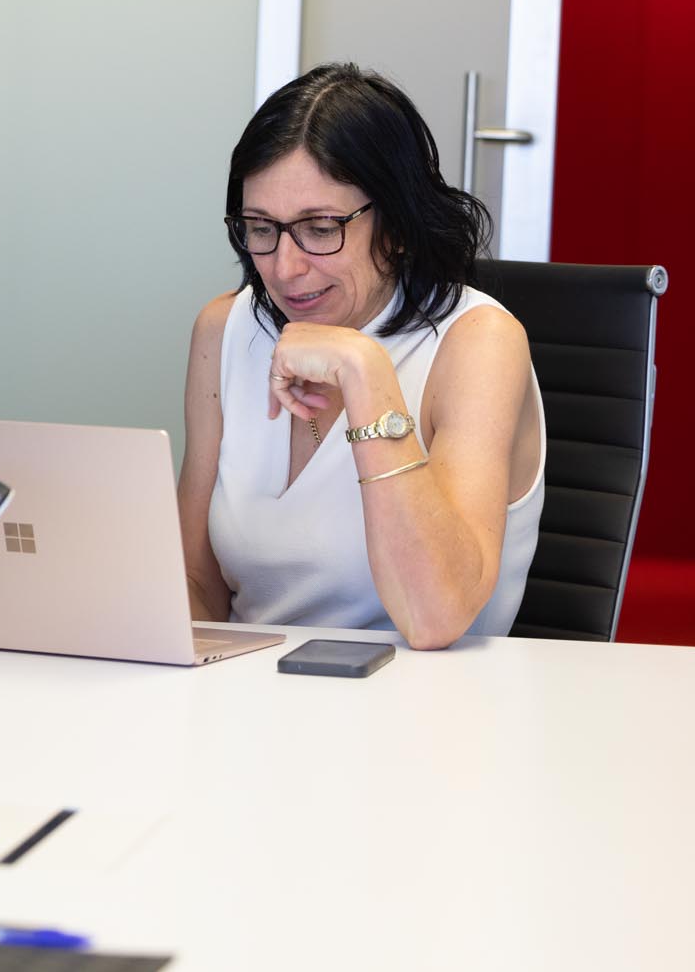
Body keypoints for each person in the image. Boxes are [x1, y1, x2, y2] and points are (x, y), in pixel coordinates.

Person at [176, 64, 547, 649]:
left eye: (321, 228)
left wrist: (365, 368)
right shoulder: (226, 329)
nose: (285, 267)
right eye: (260, 228)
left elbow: (435, 616)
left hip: (429, 713)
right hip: (253, 704)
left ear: (396, 225)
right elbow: (198, 583)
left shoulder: (478, 342)